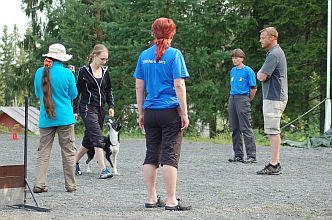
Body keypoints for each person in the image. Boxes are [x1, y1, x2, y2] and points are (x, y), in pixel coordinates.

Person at [133, 17, 191, 211]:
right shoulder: (174, 54)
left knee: (151, 154)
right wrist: (184, 112)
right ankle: (171, 200)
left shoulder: (144, 56)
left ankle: (151, 198)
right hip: (169, 111)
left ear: (154, 32)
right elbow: (179, 85)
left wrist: (141, 111)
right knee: (169, 156)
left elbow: (139, 86)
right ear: (171, 33)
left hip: (150, 111)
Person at [33, 43, 78, 193]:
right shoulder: (67, 73)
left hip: (46, 118)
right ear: (62, 59)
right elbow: (73, 94)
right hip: (65, 118)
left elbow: (37, 93)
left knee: (43, 152)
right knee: (68, 152)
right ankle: (70, 185)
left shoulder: (40, 72)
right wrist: (72, 74)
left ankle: (39, 183)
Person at [73, 44, 115, 179]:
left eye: (106, 59)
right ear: (95, 56)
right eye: (102, 59)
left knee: (88, 140)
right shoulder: (83, 71)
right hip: (87, 107)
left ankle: (72, 163)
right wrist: (74, 110)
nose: (104, 62)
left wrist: (111, 106)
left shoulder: (106, 71)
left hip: (100, 108)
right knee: (97, 136)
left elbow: (108, 90)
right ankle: (103, 169)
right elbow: (76, 92)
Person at [256, 27, 288, 175]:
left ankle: (274, 164)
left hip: (274, 97)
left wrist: (259, 73)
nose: (260, 40)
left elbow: (262, 76)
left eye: (263, 37)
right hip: (273, 96)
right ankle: (275, 163)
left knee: (273, 131)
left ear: (272, 38)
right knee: (272, 130)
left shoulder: (274, 54)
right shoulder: (274, 53)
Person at [228, 48, 257, 164]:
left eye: (237, 57)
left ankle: (251, 155)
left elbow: (253, 88)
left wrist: (247, 100)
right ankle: (238, 154)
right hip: (232, 97)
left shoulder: (248, 71)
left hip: (243, 98)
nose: (234, 60)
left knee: (246, 127)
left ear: (242, 58)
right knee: (235, 128)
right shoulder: (232, 71)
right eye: (233, 57)